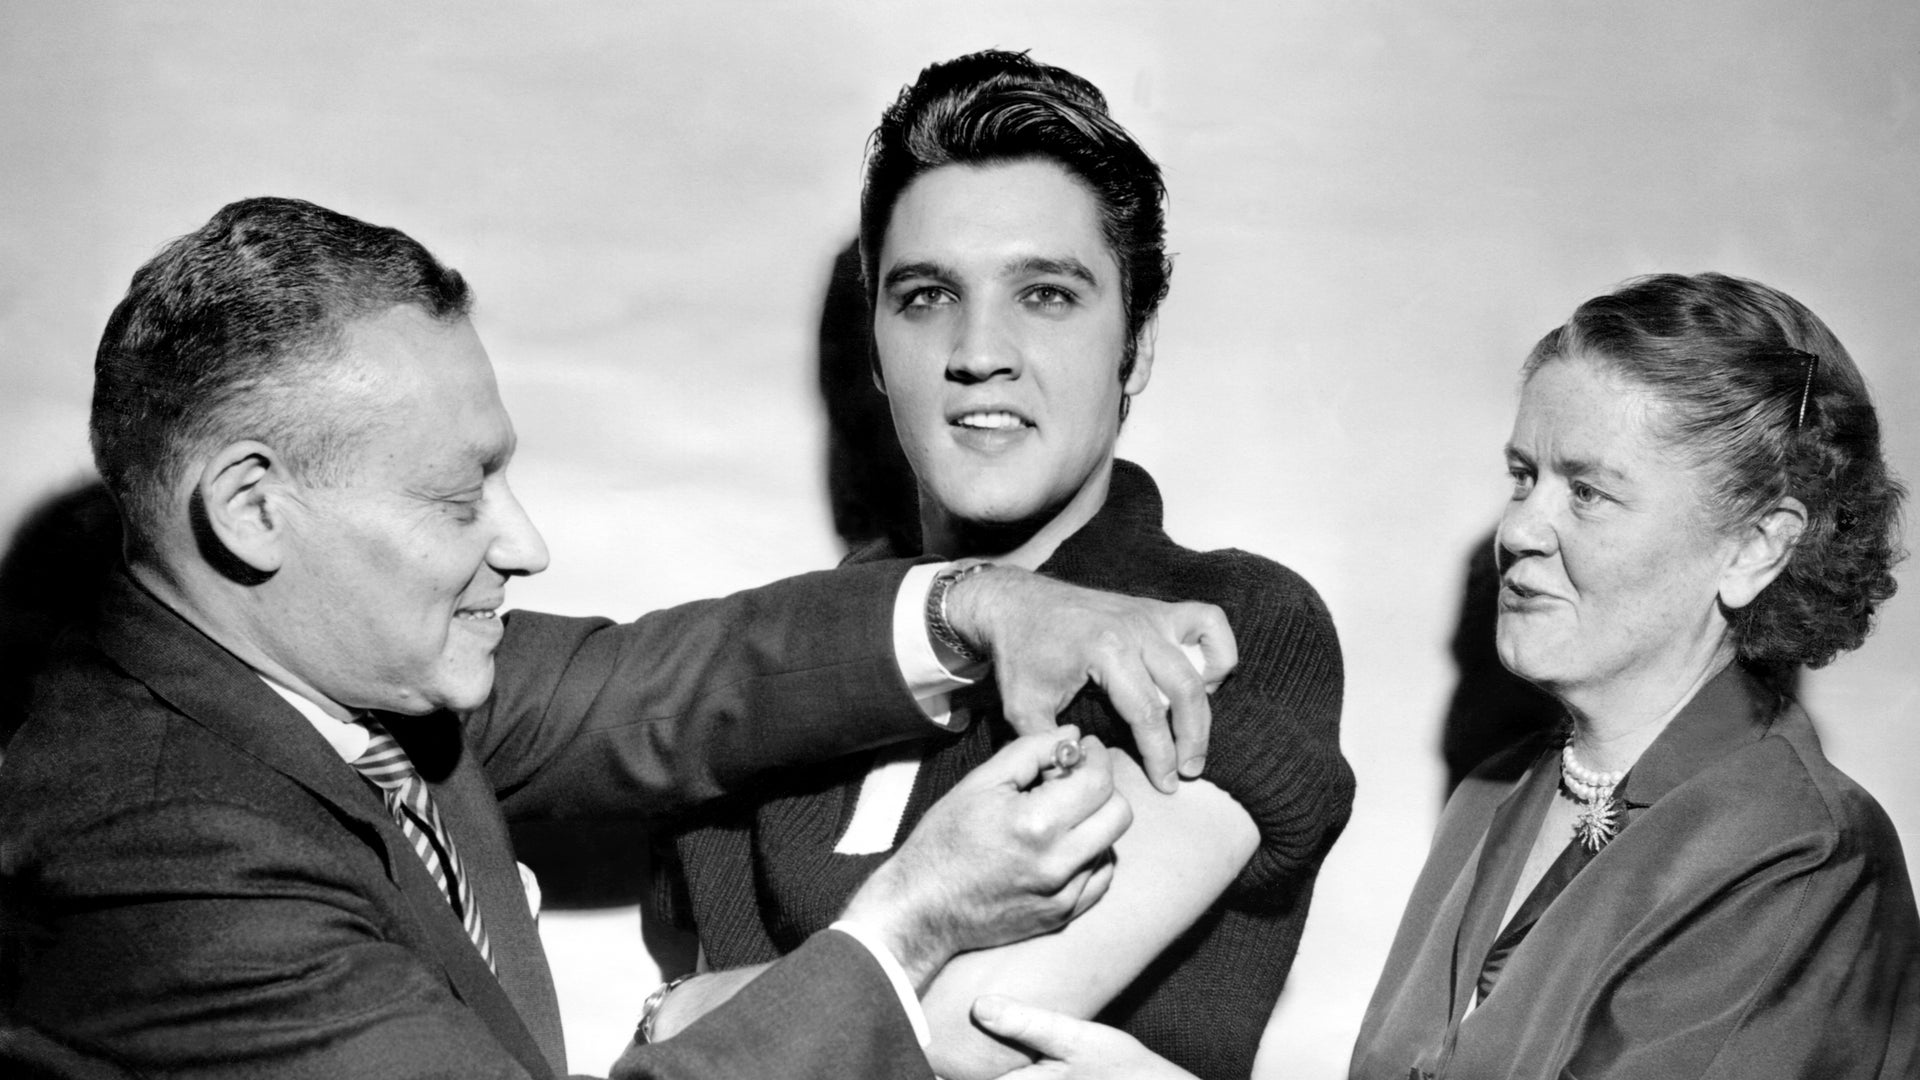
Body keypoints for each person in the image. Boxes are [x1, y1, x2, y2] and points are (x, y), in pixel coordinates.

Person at [0, 196, 1246, 1080]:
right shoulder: (160, 856)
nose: (525, 542)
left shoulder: (326, 672)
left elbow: (672, 682)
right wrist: (907, 926)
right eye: (456, 497)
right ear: (252, 509)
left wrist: (977, 603)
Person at [970, 272, 1920, 1079]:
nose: (1519, 529)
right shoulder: (1494, 796)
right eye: (1523, 477)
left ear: (1756, 547)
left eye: (1588, 491)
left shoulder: (1804, 852)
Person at [656, 51, 1353, 1080]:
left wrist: (682, 1013)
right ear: (875, 349)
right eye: (927, 295)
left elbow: (970, 1028)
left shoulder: (1230, 619)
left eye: (1047, 295)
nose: (980, 351)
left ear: (1137, 346)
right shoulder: (785, 657)